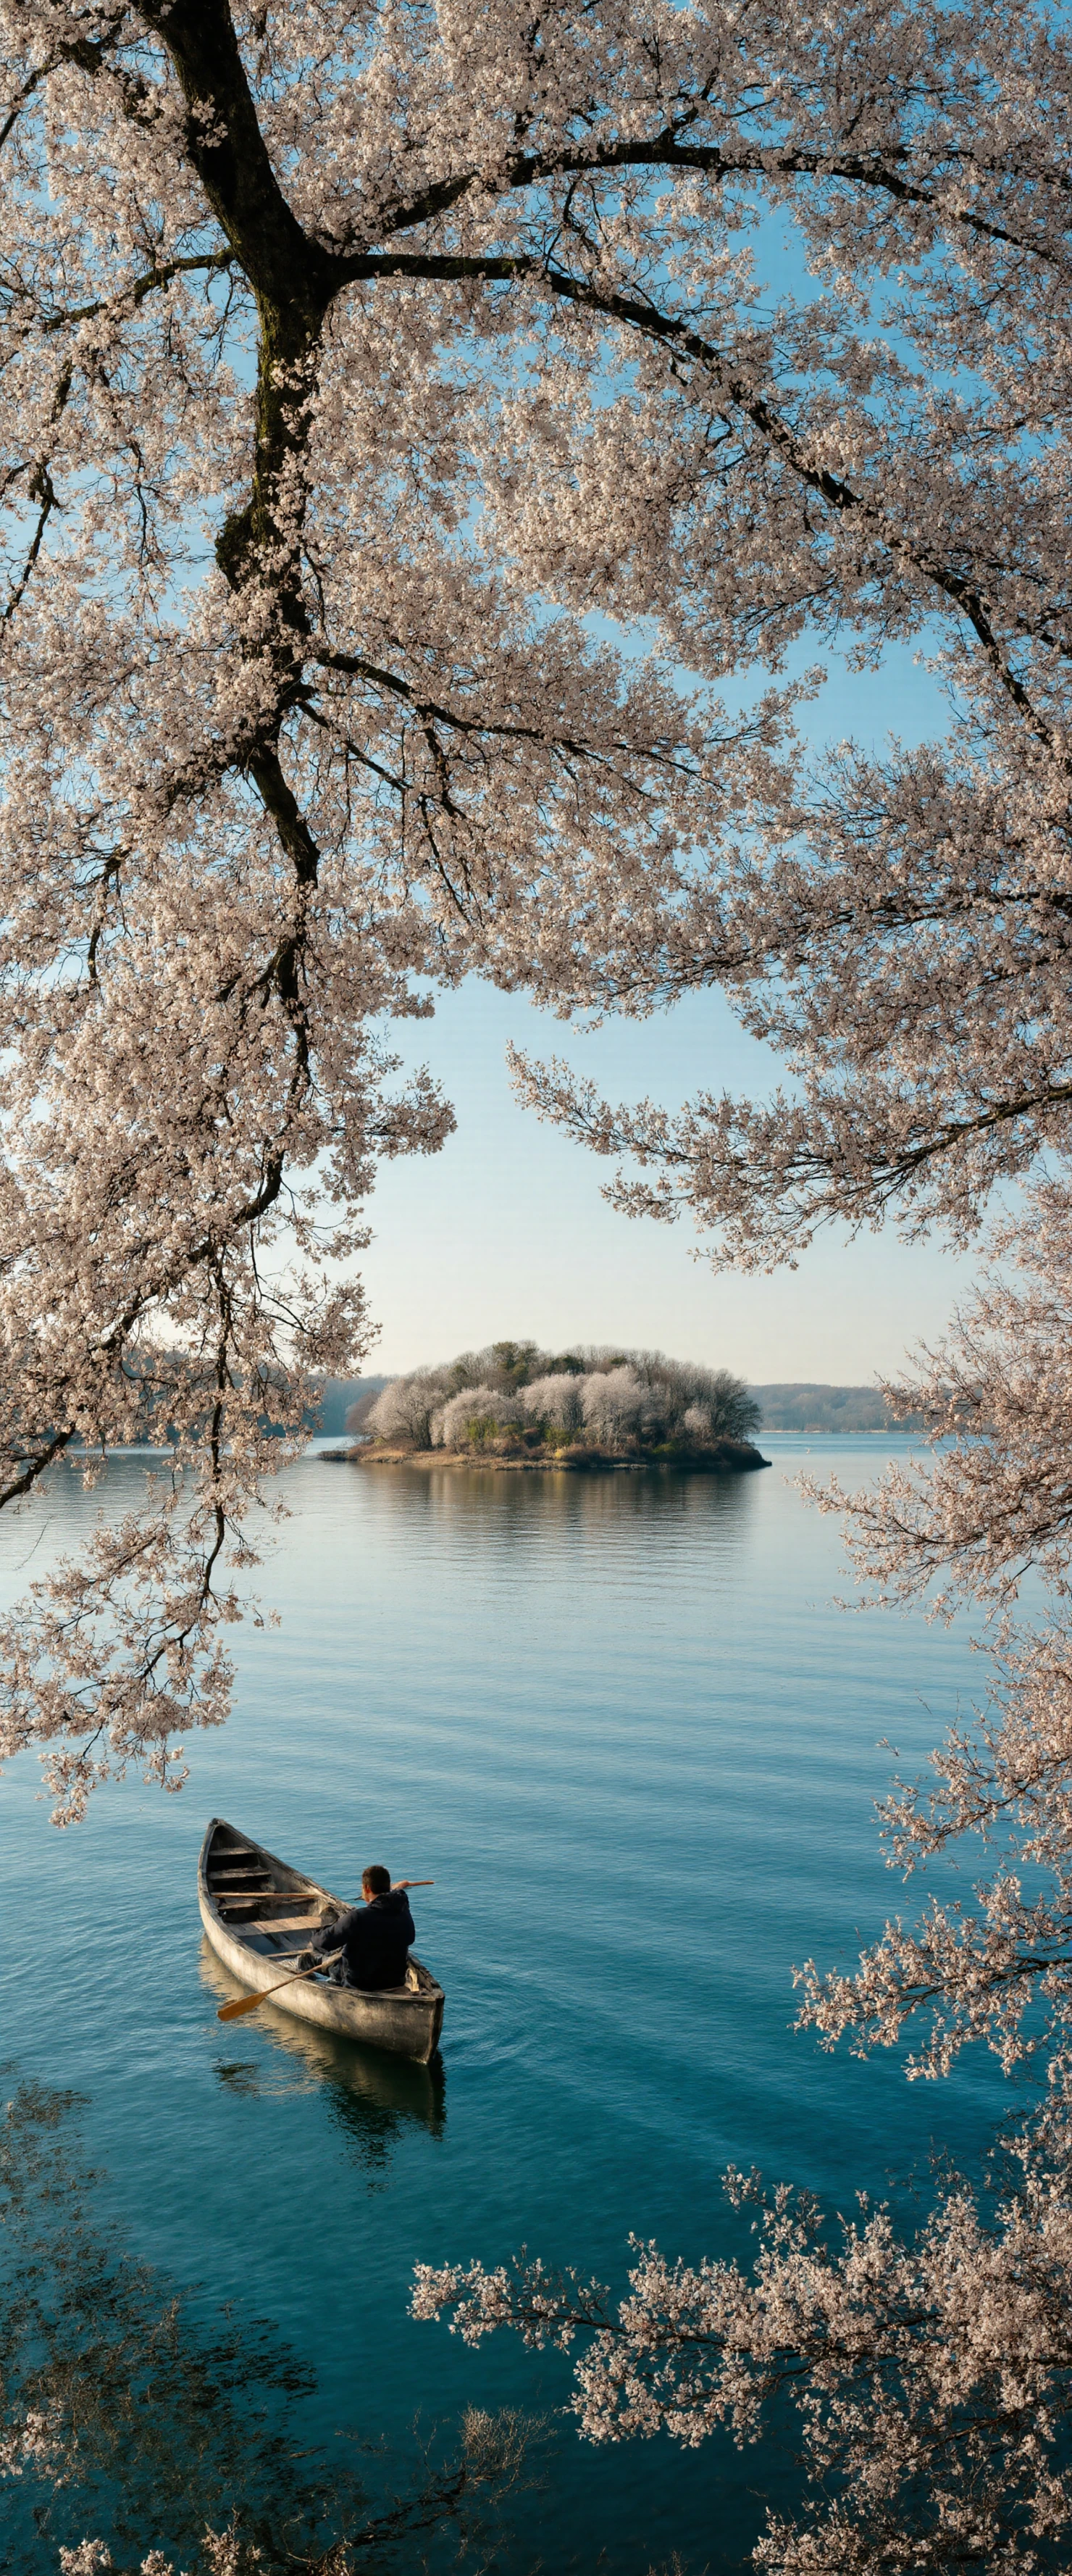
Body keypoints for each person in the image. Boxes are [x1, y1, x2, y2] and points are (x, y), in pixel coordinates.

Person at [307, 1866, 416, 1991]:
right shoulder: (403, 1910)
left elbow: (323, 1943)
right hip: (396, 1981)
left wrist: (316, 1934)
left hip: (359, 1984)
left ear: (367, 1888)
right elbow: (410, 1938)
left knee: (312, 1958)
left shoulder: (357, 1918)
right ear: (388, 1886)